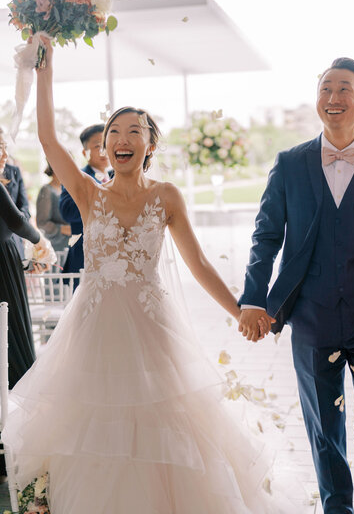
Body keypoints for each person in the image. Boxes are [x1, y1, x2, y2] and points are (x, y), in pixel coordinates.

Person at [3, 38, 296, 514]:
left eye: (133, 131)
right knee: (91, 439)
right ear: (105, 146)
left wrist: (241, 310)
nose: (120, 139)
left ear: (149, 143)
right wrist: (45, 73)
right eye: (113, 131)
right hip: (92, 335)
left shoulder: (167, 197)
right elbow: (47, 139)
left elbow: (199, 263)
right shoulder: (86, 193)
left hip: (153, 333)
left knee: (170, 436)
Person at [238, 57, 354, 514]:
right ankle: (337, 508)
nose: (333, 98)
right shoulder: (290, 163)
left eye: (344, 89)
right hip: (311, 315)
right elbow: (266, 235)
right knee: (323, 424)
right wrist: (253, 298)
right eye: (325, 89)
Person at [0, 182, 51, 476]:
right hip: (1, 265)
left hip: (5, 258)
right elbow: (17, 220)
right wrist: (39, 240)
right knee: (10, 342)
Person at [59, 123, 110, 284]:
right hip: (85, 258)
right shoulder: (77, 177)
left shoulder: (119, 176)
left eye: (107, 145)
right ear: (84, 152)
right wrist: (101, 194)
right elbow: (67, 211)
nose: (104, 151)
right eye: (97, 146)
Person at [0, 127, 31, 260]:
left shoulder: (14, 172)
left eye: (5, 147)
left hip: (14, 244)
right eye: (1, 147)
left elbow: (24, 207)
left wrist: (17, 220)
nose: (6, 155)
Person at [36, 161, 71, 253]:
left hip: (69, 246)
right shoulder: (46, 190)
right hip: (56, 247)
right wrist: (65, 229)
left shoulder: (67, 190)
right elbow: (42, 222)